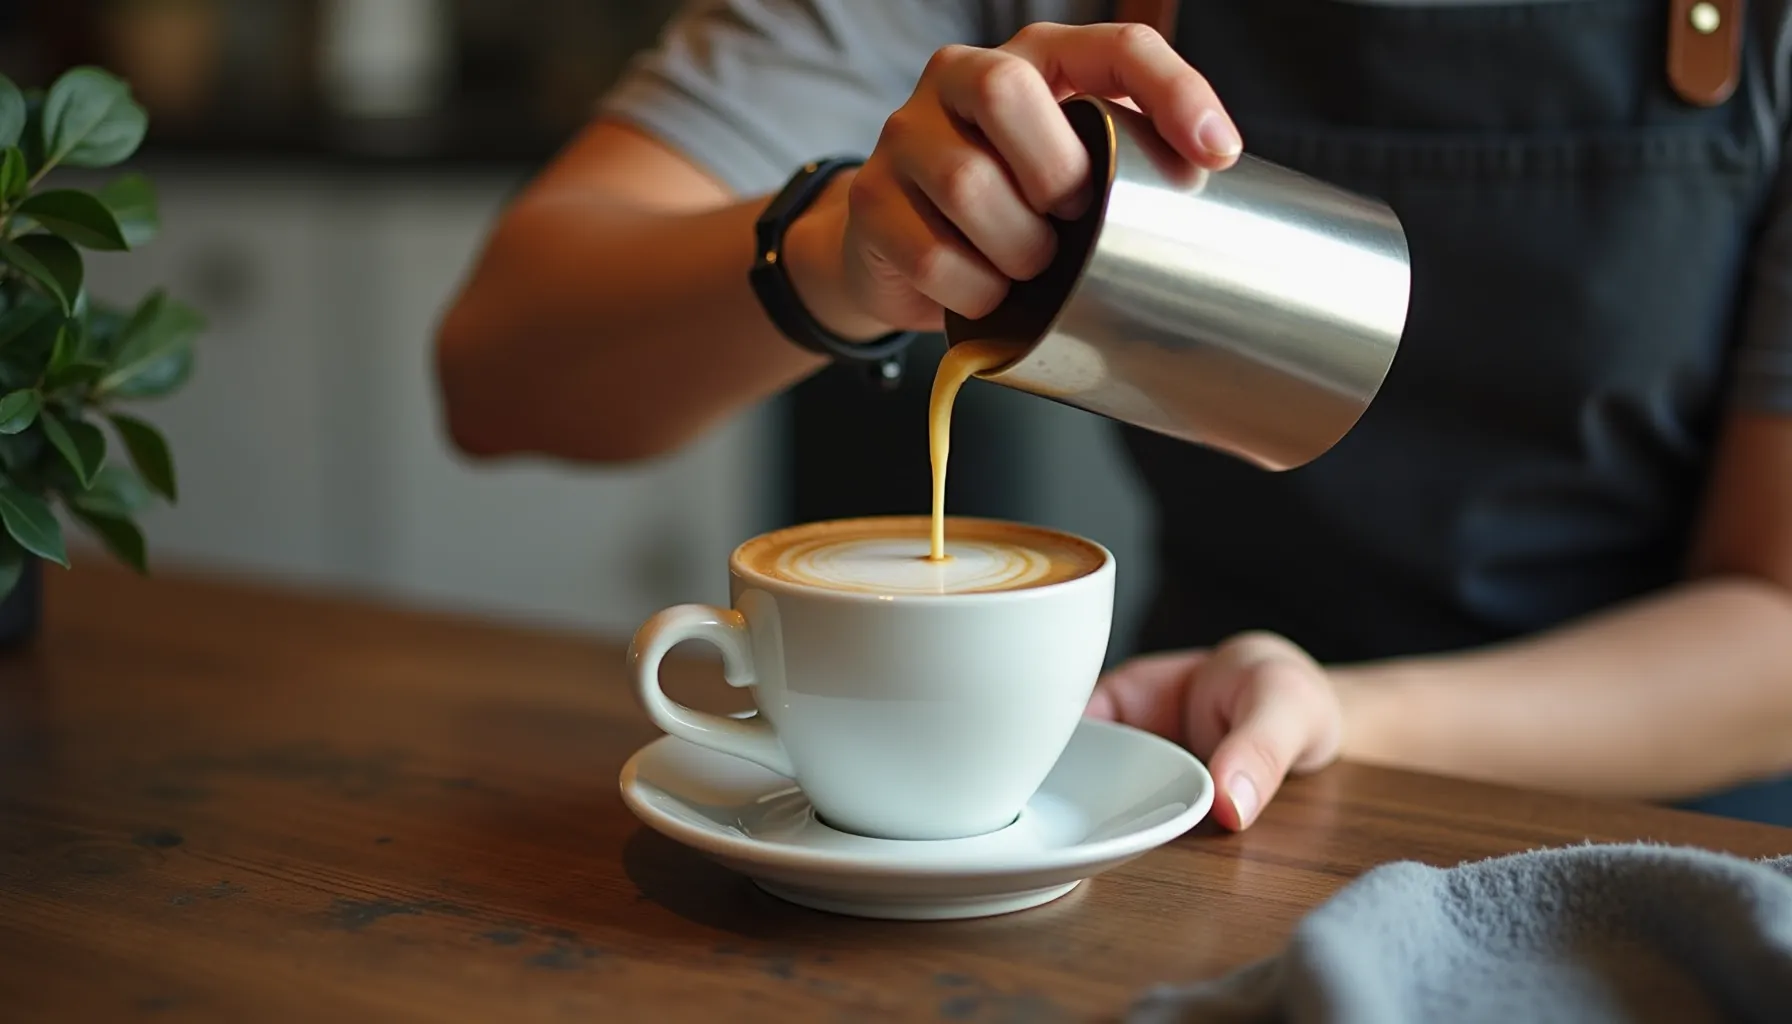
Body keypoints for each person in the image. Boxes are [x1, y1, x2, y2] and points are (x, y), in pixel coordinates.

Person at [434, 1, 1792, 831]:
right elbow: (496, 368)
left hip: (1675, 866)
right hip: (1168, 805)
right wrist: (837, 251)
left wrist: (1346, 720)